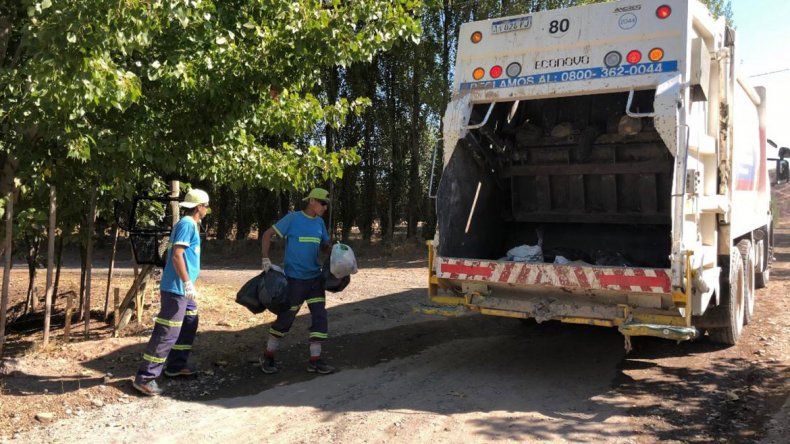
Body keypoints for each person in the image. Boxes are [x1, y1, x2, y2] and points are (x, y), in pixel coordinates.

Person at [133, 189, 210, 396]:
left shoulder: (191, 224)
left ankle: (176, 366)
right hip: (177, 289)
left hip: (183, 290)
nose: (207, 210)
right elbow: (177, 255)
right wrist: (186, 282)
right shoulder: (187, 224)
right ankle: (145, 377)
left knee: (190, 321)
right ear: (199, 207)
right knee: (168, 332)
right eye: (206, 206)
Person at [260, 188, 334, 374]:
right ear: (312, 201)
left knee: (320, 317)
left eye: (326, 204)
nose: (325, 207)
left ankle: (315, 360)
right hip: (294, 281)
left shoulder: (320, 223)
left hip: (315, 279)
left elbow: (325, 246)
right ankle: (268, 356)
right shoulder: (293, 219)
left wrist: (333, 251)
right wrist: (265, 258)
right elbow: (268, 234)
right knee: (286, 319)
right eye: (323, 203)